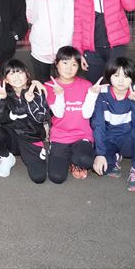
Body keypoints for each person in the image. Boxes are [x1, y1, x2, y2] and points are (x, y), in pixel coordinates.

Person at [91, 56, 135, 193]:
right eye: (116, 75)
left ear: (132, 78)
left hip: (129, 140)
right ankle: (114, 157)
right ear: (109, 76)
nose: (121, 80)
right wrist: (100, 154)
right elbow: (98, 124)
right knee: (100, 167)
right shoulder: (102, 93)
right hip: (110, 139)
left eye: (126, 76)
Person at [0, 59, 49, 183]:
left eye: (20, 72)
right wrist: (1, 100)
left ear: (27, 75)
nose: (16, 77)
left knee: (39, 177)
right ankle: (6, 157)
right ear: (6, 79)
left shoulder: (37, 92)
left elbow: (41, 119)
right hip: (12, 138)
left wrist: (30, 102)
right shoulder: (5, 94)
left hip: (31, 139)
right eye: (11, 73)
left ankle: (33, 154)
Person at [44, 46, 99, 183]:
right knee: (57, 177)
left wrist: (92, 94)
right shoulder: (50, 86)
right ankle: (68, 158)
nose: (69, 68)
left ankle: (76, 161)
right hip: (60, 136)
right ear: (56, 64)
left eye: (74, 64)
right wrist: (60, 95)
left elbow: (87, 114)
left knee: (85, 160)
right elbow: (58, 113)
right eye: (65, 63)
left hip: (82, 135)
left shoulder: (86, 85)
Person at [24, 0, 75, 82]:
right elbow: (31, 19)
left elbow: (69, 18)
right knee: (43, 85)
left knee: (63, 84)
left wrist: (65, 45)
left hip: (62, 47)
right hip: (40, 48)